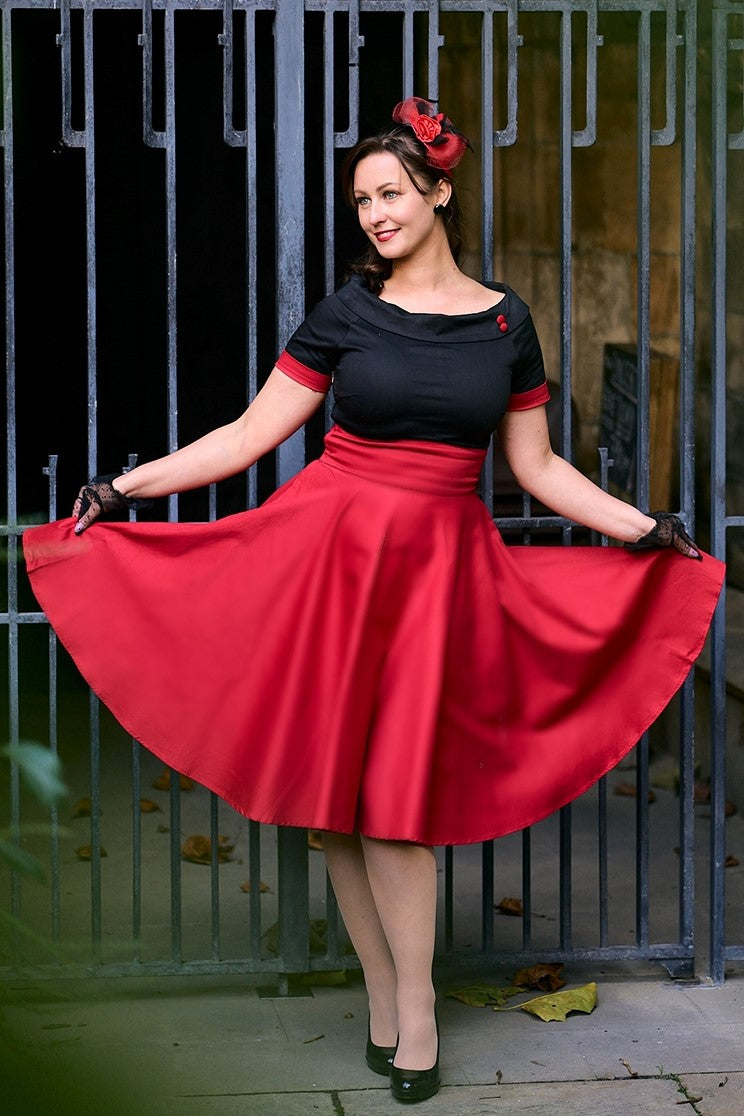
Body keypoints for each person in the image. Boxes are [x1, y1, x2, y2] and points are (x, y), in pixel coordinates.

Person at [23, 97, 724, 1104]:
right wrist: (124, 488)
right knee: (340, 810)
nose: (374, 213)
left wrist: (637, 527)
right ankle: (388, 1002)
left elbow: (536, 467)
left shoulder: (504, 320)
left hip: (437, 577)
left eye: (391, 193)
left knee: (395, 804)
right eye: (361, 199)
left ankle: (421, 1013)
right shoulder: (347, 314)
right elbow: (249, 434)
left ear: (439, 193)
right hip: (333, 564)